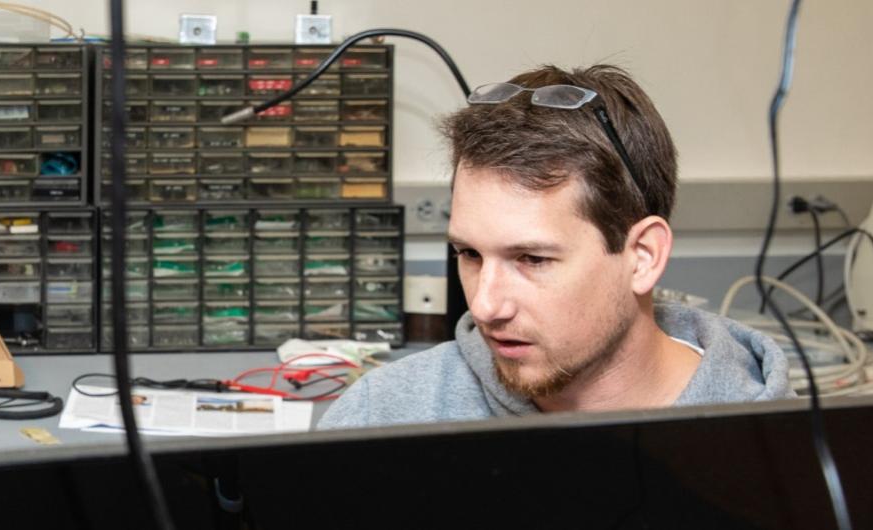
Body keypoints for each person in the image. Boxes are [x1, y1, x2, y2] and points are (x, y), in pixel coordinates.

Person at [318, 65, 793, 429]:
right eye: (469, 254)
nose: (485, 306)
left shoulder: (780, 451)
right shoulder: (382, 417)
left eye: (532, 259)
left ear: (643, 256)